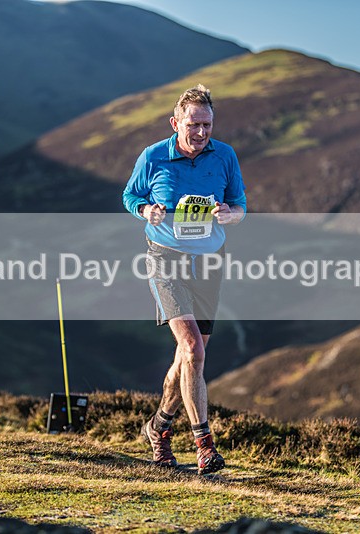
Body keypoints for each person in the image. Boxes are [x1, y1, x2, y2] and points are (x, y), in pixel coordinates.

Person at [122, 84, 246, 474]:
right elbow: (130, 195)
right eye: (194, 124)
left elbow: (240, 204)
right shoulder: (154, 156)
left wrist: (230, 214)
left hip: (209, 261)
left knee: (188, 357)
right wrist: (147, 210)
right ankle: (204, 445)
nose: (201, 132)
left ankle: (158, 427)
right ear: (176, 123)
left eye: (207, 125)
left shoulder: (224, 156)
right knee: (193, 350)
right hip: (166, 259)